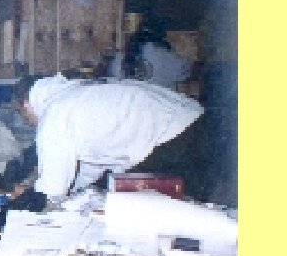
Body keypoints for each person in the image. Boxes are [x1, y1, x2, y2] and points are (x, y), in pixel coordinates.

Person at [15, 73, 204, 198]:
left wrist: (28, 197)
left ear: (26, 105)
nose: (30, 123)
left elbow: (52, 190)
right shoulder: (73, 94)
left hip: (173, 137)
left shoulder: (54, 116)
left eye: (25, 117)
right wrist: (72, 189)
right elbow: (93, 163)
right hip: (194, 122)